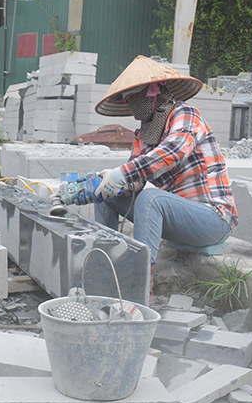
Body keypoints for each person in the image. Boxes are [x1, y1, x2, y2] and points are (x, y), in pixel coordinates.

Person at [91, 56, 237, 265]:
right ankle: (104, 264)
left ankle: (140, 280)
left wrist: (120, 174)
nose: (132, 105)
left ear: (151, 92)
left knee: (151, 198)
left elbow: (172, 153)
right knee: (105, 195)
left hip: (213, 220)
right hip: (179, 221)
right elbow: (134, 182)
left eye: (134, 97)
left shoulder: (186, 115)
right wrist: (102, 184)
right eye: (128, 100)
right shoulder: (145, 133)